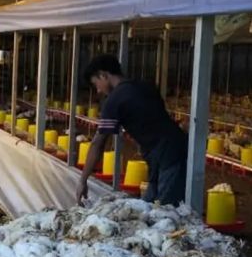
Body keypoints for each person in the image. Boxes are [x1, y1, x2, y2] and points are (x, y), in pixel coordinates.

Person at [72, 54, 188, 207]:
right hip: (168, 149)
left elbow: (97, 144)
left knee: (167, 210)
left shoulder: (115, 100)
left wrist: (83, 180)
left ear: (103, 75)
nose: (98, 91)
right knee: (149, 205)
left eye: (96, 84)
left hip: (168, 155)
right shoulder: (144, 86)